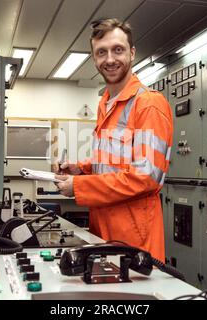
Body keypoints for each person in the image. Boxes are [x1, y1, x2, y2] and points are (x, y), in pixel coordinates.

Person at [54, 18, 173, 262]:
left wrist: (79, 186)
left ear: (132, 53)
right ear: (94, 58)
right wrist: (81, 169)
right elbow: (111, 161)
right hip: (102, 230)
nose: (109, 59)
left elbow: (146, 177)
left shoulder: (148, 103)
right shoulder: (105, 103)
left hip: (133, 239)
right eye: (101, 52)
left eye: (117, 50)